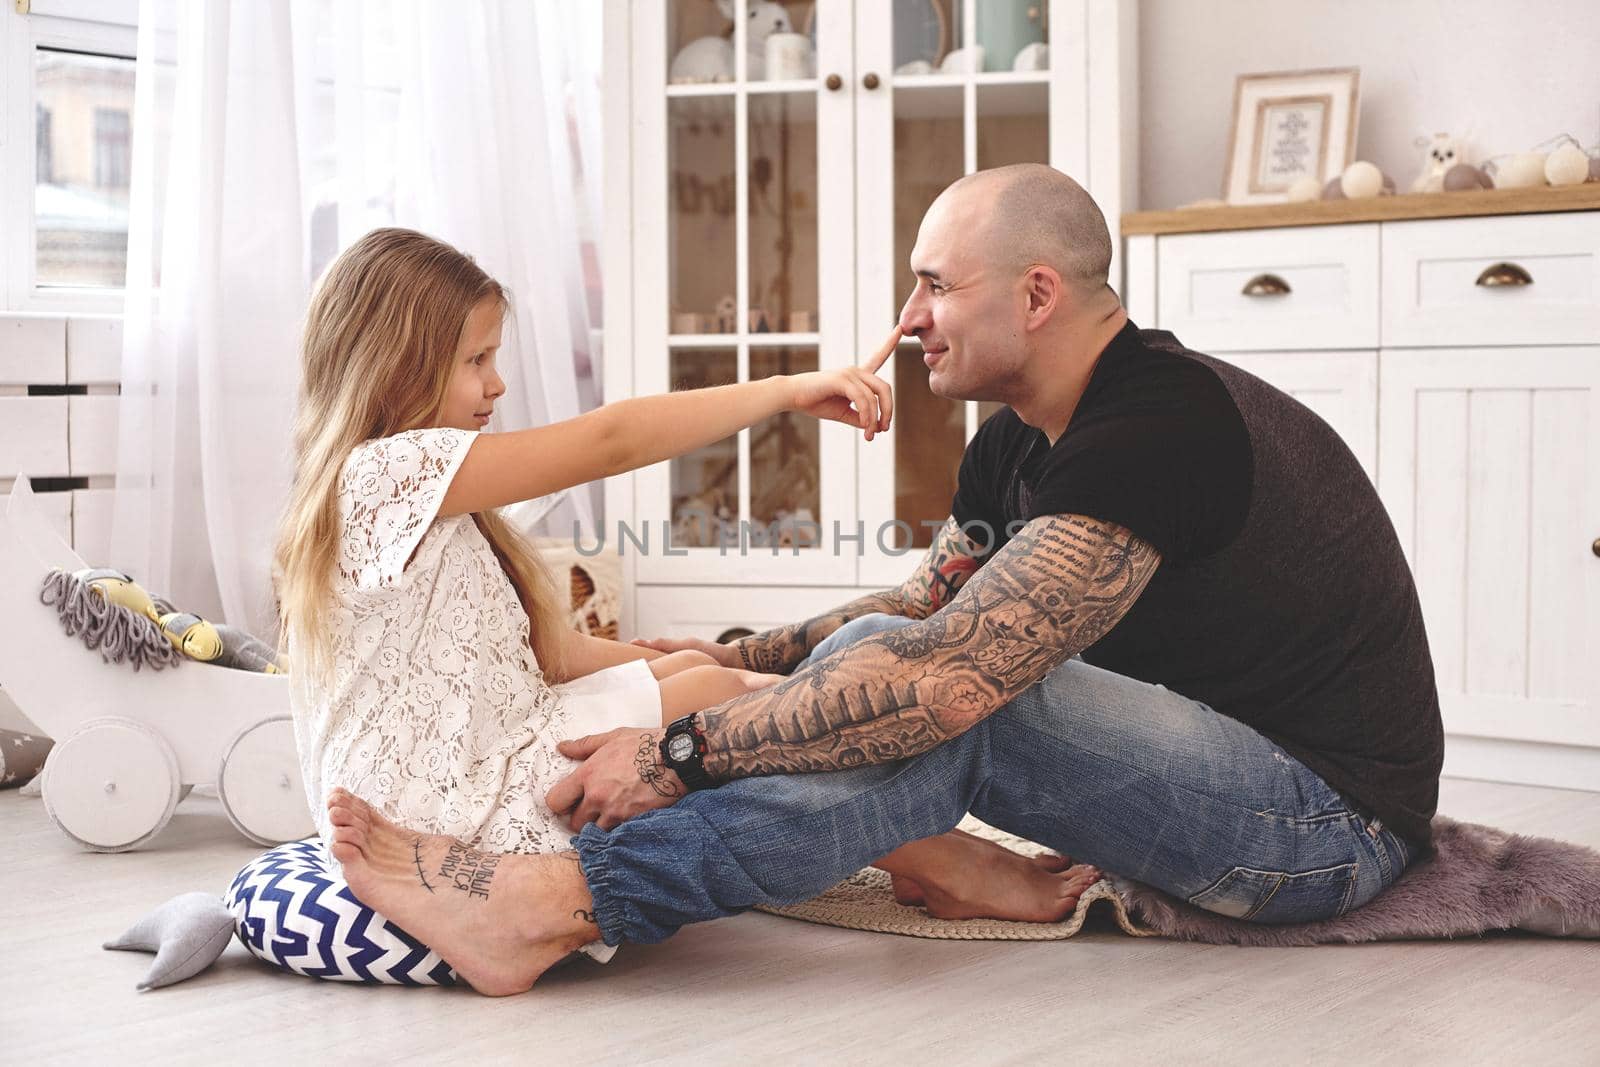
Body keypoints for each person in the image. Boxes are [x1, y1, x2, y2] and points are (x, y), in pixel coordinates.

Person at [322, 165, 1444, 996]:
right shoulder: (1018, 440)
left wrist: (678, 751)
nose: (906, 319)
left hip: (1319, 827)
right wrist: (725, 661)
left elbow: (951, 679)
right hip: (1210, 772)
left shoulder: (1157, 424)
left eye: (932, 286)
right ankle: (941, 863)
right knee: (887, 661)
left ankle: (564, 904)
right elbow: (921, 612)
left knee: (975, 705)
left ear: (1038, 294)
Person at [276, 227, 1096, 965]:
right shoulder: (383, 476)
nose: (495, 385)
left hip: (483, 742)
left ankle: (925, 845)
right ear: (397, 364)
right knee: (719, 704)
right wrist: (786, 391)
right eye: (475, 361)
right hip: (428, 799)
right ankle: (945, 860)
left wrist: (702, 659)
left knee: (733, 688)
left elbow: (548, 657)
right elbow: (613, 438)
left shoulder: (435, 501)